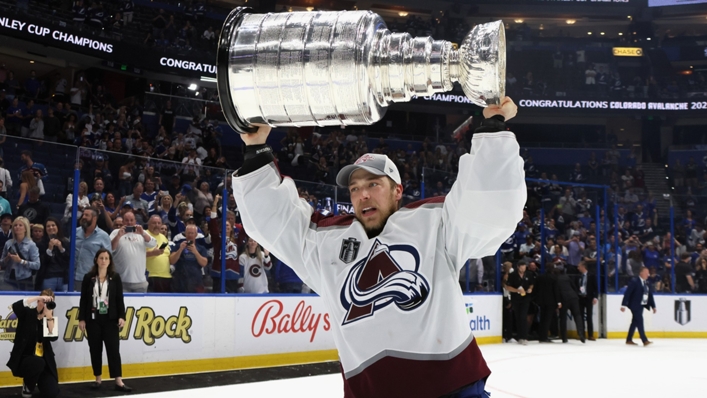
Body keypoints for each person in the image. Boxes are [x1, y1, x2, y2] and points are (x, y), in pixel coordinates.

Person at [231, 97, 524, 396]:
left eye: (373, 184)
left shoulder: (433, 223)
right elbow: (274, 222)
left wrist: (492, 126)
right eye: (355, 188)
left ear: (397, 191)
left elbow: (487, 208)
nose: (363, 195)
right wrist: (256, 149)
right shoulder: (327, 242)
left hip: (454, 390)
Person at [78, 248, 132, 392]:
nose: (103, 261)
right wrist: (82, 319)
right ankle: (98, 379)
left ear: (110, 261)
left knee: (113, 350)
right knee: (95, 349)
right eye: (101, 258)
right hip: (93, 319)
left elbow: (119, 299)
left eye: (106, 258)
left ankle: (118, 381)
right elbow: (83, 300)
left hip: (110, 319)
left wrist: (122, 316)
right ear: (96, 260)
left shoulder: (115, 277)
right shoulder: (88, 278)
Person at [6, 290, 59, 398]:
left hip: (43, 362)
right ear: (39, 300)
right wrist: (36, 298)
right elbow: (15, 306)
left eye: (48, 301)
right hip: (24, 359)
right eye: (43, 300)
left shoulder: (50, 320)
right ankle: (28, 385)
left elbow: (53, 337)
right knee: (37, 362)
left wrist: (48, 317)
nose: (45, 304)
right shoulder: (28, 313)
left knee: (52, 392)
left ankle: (38, 380)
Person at [110, 211, 156, 293]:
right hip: (121, 281)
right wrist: (118, 236)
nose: (129, 222)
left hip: (140, 282)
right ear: (123, 221)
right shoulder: (116, 232)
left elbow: (153, 244)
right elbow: (110, 249)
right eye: (126, 220)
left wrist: (143, 233)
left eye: (131, 220)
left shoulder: (141, 232)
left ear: (135, 221)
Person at [74, 207, 111, 291]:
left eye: (87, 215)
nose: (83, 217)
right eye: (83, 214)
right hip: (73, 278)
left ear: (94, 218)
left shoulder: (103, 236)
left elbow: (108, 259)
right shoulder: (75, 232)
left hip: (92, 278)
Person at [1, 217, 40, 291]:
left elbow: (37, 265)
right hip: (8, 278)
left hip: (24, 279)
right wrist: (7, 258)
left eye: (20, 225)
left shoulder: (31, 245)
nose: (17, 227)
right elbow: (2, 263)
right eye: (15, 225)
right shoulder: (8, 243)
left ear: (25, 229)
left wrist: (21, 261)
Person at [621, 266, 656, 346]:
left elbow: (650, 295)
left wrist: (653, 306)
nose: (648, 274)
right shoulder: (634, 281)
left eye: (648, 273)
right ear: (641, 273)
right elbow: (628, 293)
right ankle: (644, 340)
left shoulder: (647, 282)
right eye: (646, 273)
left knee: (635, 322)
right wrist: (623, 304)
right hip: (634, 305)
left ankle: (629, 339)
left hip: (642, 305)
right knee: (640, 320)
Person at [169, 224, 208, 293]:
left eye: (192, 233)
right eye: (188, 233)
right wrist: (180, 249)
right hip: (180, 281)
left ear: (196, 234)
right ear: (185, 234)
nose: (190, 235)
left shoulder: (201, 248)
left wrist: (195, 252)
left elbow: (204, 263)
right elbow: (172, 261)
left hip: (196, 280)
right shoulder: (178, 246)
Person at [35, 217, 70, 292]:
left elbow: (68, 260)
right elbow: (42, 262)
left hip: (63, 278)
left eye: (53, 225)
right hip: (48, 277)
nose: (51, 227)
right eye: (48, 226)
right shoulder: (40, 244)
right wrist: (49, 249)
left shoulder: (66, 242)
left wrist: (61, 248)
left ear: (57, 227)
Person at [554, 265, 586, 343]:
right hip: (573, 298)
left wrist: (558, 302)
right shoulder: (567, 277)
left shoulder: (556, 279)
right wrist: (576, 295)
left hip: (564, 299)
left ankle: (564, 337)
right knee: (577, 315)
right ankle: (581, 333)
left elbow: (557, 292)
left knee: (563, 318)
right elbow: (574, 287)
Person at [506, 261, 534, 345]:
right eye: (522, 266)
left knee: (523, 316)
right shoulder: (513, 275)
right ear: (518, 267)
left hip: (525, 299)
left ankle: (524, 336)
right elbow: (508, 287)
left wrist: (530, 289)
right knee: (518, 317)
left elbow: (532, 284)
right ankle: (520, 336)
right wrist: (517, 290)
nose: (523, 268)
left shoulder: (529, 274)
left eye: (524, 266)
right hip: (516, 299)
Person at [533, 263, 561, 343]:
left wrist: (535, 299)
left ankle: (541, 336)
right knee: (548, 319)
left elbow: (536, 289)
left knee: (542, 318)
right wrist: (558, 302)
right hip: (551, 301)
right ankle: (544, 336)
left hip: (541, 301)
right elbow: (556, 291)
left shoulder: (539, 277)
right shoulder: (554, 278)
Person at [145, 215, 172, 292]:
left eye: (159, 223)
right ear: (149, 224)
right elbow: (137, 254)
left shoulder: (164, 237)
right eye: (154, 223)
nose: (157, 225)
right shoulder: (144, 235)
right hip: (150, 276)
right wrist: (152, 253)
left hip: (166, 277)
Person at [577, 261, 598, 341]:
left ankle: (590, 334)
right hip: (581, 297)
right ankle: (582, 334)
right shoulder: (579, 276)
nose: (578, 268)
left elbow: (595, 287)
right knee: (581, 316)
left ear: (583, 267)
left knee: (589, 316)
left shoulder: (591, 276)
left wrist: (595, 297)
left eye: (579, 266)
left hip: (588, 298)